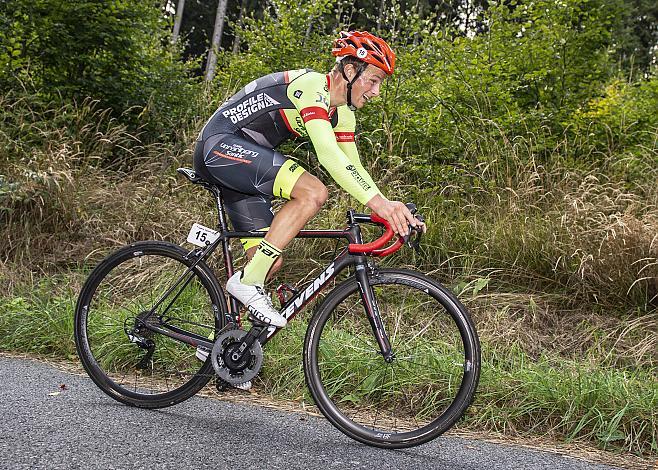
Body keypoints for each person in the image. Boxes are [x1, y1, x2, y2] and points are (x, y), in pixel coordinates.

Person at [193, 30, 425, 329]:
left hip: (243, 164)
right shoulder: (313, 86)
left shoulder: (342, 114)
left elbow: (352, 167)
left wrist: (391, 208)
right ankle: (247, 283)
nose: (377, 91)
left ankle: (221, 346)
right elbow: (329, 156)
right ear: (351, 70)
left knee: (267, 262)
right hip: (219, 147)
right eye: (375, 80)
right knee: (312, 192)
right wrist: (381, 205)